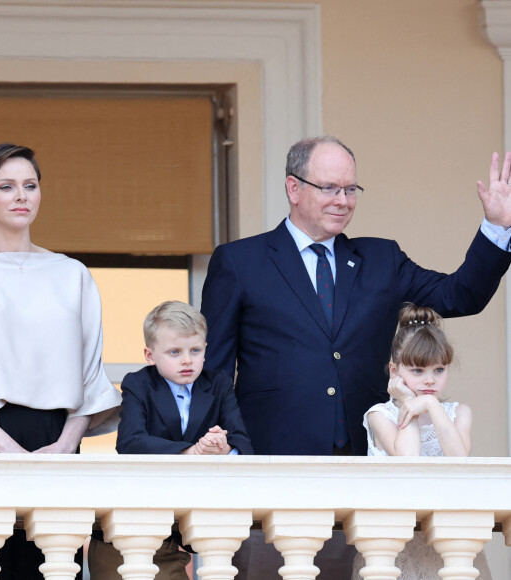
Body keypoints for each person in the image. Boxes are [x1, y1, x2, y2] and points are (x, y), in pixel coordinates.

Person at [200, 136, 511, 579]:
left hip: (366, 474)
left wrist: (497, 227)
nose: (343, 201)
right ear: (293, 187)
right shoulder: (239, 261)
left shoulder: (380, 257)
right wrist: (224, 453)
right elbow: (214, 371)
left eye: (351, 190)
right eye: (329, 188)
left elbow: (460, 294)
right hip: (271, 471)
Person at [0, 143, 122, 580]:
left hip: (55, 445)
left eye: (30, 186)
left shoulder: (71, 273)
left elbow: (91, 378)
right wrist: (10, 451)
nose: (21, 196)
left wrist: (62, 447)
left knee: (49, 571)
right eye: (6, 186)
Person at [88, 300, 252, 580]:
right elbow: (129, 443)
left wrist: (225, 449)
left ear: (205, 351)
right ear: (150, 355)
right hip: (129, 527)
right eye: (174, 352)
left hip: (178, 532)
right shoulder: (138, 383)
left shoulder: (219, 383)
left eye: (195, 350)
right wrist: (191, 452)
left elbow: (243, 444)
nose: (187, 360)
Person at [351, 303, 491, 579]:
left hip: (450, 540)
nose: (430, 380)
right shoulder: (380, 416)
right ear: (394, 370)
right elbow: (408, 462)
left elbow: (460, 461)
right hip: (392, 542)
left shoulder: (459, 413)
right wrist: (408, 402)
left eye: (439, 370)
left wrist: (431, 405)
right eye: (417, 371)